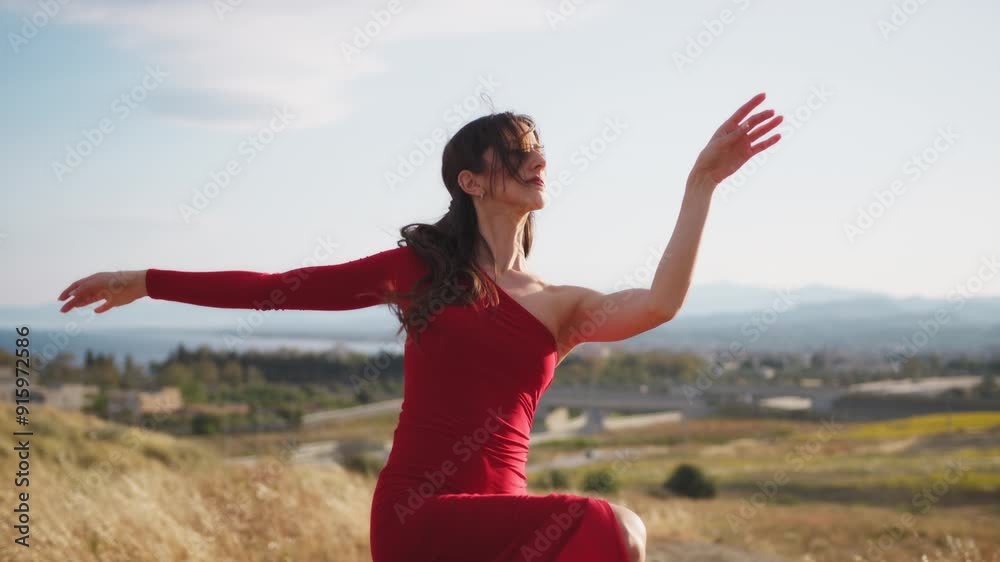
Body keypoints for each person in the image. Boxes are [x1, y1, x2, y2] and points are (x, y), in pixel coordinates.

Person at [58, 93, 783, 562]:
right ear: (470, 181)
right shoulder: (420, 271)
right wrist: (148, 281)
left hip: (507, 531)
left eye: (537, 146)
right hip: (422, 519)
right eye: (513, 148)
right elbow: (282, 290)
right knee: (618, 530)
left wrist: (700, 185)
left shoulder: (560, 305)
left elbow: (660, 301)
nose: (537, 158)